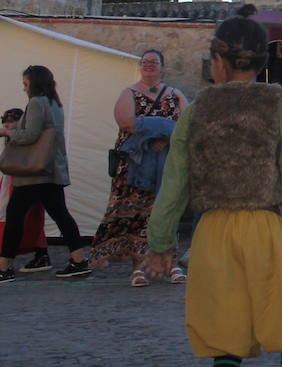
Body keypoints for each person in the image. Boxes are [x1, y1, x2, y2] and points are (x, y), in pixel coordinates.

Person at [144, 6, 282, 367]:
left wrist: (161, 243)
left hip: (213, 234)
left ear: (217, 61)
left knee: (224, 332)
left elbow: (175, 181)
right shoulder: (277, 104)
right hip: (266, 230)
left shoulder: (196, 111)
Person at [87, 48, 188, 285]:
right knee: (135, 214)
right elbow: (127, 123)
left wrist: (163, 136)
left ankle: (169, 264)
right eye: (145, 62)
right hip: (135, 165)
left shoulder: (175, 95)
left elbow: (187, 125)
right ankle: (137, 268)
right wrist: (165, 128)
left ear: (163, 67)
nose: (149, 65)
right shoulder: (129, 93)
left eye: (155, 62)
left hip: (165, 163)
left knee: (165, 212)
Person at [0, 67, 91, 283]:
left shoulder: (36, 103)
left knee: (14, 217)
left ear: (35, 83)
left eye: (25, 84)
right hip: (51, 170)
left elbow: (30, 135)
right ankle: (79, 261)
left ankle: (4, 268)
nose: (24, 88)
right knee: (61, 215)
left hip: (34, 173)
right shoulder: (55, 104)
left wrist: (6, 132)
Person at [0, 107, 51, 273]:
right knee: (26, 217)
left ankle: (7, 260)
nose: (7, 125)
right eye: (5, 122)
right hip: (20, 180)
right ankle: (40, 254)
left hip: (24, 181)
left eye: (11, 121)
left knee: (19, 218)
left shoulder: (25, 137)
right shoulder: (20, 136)